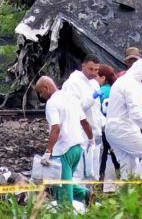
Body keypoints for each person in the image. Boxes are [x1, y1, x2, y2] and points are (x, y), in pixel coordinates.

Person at [35, 76, 93, 206]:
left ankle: (67, 213)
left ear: (46, 87)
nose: (41, 96)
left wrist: (48, 151)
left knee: (63, 194)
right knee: (62, 183)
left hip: (63, 151)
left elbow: (56, 128)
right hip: (77, 149)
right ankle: (86, 194)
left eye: (40, 92)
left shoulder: (52, 103)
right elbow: (84, 122)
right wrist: (91, 139)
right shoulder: (71, 98)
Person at [62, 54, 103, 146]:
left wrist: (103, 123)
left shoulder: (94, 83)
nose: (93, 73)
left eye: (96, 70)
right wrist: (93, 97)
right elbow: (74, 109)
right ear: (83, 66)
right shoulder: (72, 83)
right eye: (91, 69)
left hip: (95, 132)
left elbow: (96, 111)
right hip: (80, 134)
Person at [95, 65, 120, 192]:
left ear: (103, 78)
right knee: (116, 155)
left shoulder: (100, 91)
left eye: (96, 76)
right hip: (117, 127)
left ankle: (99, 183)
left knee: (103, 156)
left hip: (104, 129)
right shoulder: (116, 89)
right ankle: (122, 180)